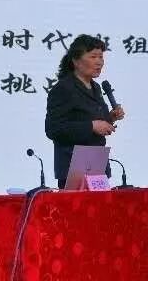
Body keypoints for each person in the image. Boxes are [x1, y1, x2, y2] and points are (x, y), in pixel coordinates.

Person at [45, 34, 125, 189]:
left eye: (101, 57)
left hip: (97, 164)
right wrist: (91, 126)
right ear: (75, 61)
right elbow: (53, 129)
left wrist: (110, 118)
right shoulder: (64, 88)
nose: (99, 62)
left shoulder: (96, 87)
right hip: (73, 169)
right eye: (93, 56)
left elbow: (93, 121)